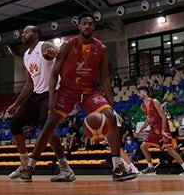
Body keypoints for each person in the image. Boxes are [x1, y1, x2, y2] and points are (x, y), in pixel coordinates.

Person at [21, 13, 136, 182]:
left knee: (110, 116)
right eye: (84, 23)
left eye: (90, 24)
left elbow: (104, 78)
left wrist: (111, 105)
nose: (87, 26)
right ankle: (30, 167)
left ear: (94, 27)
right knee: (49, 125)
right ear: (79, 26)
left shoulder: (101, 48)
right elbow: (54, 73)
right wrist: (52, 97)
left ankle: (117, 168)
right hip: (67, 90)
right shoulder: (68, 45)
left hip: (90, 92)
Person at [5, 25, 75, 183]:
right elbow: (29, 84)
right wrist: (16, 104)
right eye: (22, 32)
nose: (23, 34)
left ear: (35, 35)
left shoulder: (43, 46)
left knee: (47, 129)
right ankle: (24, 162)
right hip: (36, 95)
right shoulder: (26, 56)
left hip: (52, 93)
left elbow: (51, 50)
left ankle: (65, 168)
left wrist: (54, 52)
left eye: (27, 32)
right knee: (15, 123)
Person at [135, 85, 184, 175]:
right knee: (143, 146)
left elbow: (163, 116)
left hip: (163, 128)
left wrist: (163, 130)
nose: (138, 94)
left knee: (169, 149)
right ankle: (150, 167)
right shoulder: (142, 106)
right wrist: (139, 131)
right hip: (154, 129)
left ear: (145, 93)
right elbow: (148, 120)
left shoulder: (155, 102)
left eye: (139, 92)